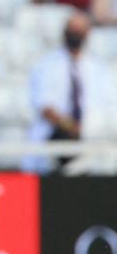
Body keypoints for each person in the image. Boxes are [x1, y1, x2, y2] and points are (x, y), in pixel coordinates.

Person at [26, 12, 113, 173]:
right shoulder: (46, 65)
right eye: (72, 30)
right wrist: (71, 127)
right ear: (64, 32)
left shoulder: (98, 68)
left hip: (90, 143)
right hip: (54, 140)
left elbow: (107, 107)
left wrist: (85, 130)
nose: (76, 35)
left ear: (87, 34)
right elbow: (45, 108)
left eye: (80, 31)